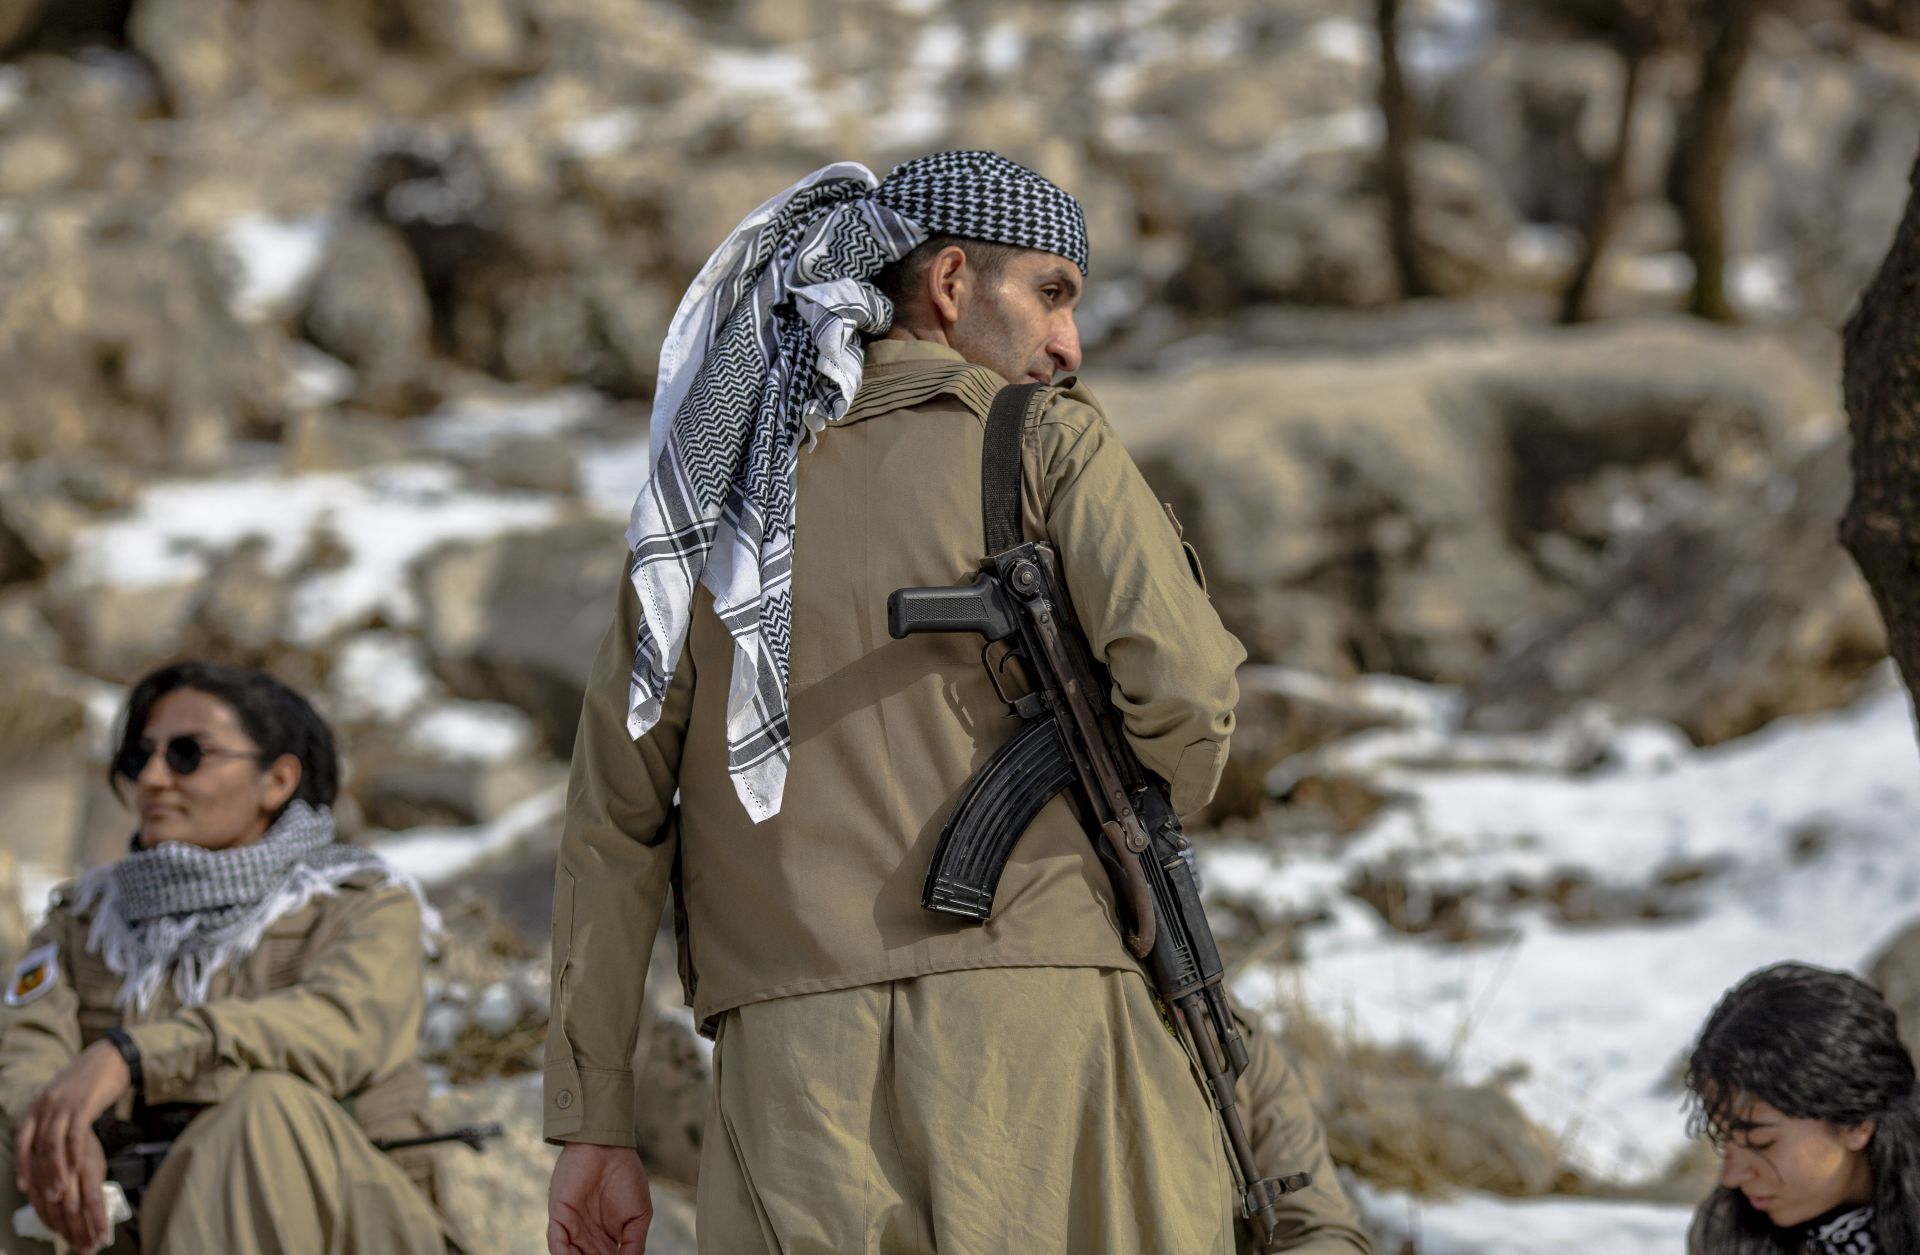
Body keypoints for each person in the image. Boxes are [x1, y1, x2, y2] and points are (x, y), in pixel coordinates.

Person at [546, 151, 1258, 1253]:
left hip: (794, 1077)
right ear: (952, 281)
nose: (1068, 344)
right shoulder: (1046, 440)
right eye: (1051, 294)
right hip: (1049, 1032)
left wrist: (594, 1118)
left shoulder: (708, 507)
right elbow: (1189, 695)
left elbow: (612, 825)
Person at [0, 660, 453, 1254]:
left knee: (263, 1114)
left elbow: (344, 1029)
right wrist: (55, 1125)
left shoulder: (360, 902)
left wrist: (133, 1056)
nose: (153, 778)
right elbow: (28, 1046)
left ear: (277, 780)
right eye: (141, 757)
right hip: (131, 1218)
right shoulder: (83, 917)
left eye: (188, 755)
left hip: (336, 1223)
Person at [1685, 962, 1920, 1254]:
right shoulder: (1726, 1231)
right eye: (1723, 1139)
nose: (1731, 1176)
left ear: (1856, 1122)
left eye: (1761, 1142)